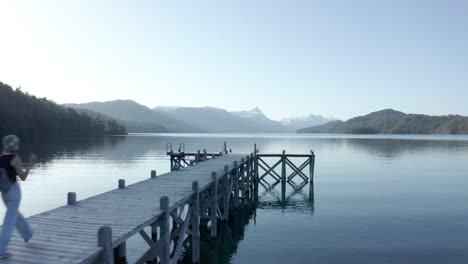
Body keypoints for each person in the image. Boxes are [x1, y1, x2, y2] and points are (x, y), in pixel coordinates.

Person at [0, 135, 36, 259]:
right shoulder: (15, 159)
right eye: (16, 143)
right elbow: (23, 177)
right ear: (13, 145)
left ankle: (27, 234)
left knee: (15, 215)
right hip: (14, 192)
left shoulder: (1, 157)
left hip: (4, 193)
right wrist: (30, 164)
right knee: (9, 221)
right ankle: (1, 250)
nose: (18, 145)